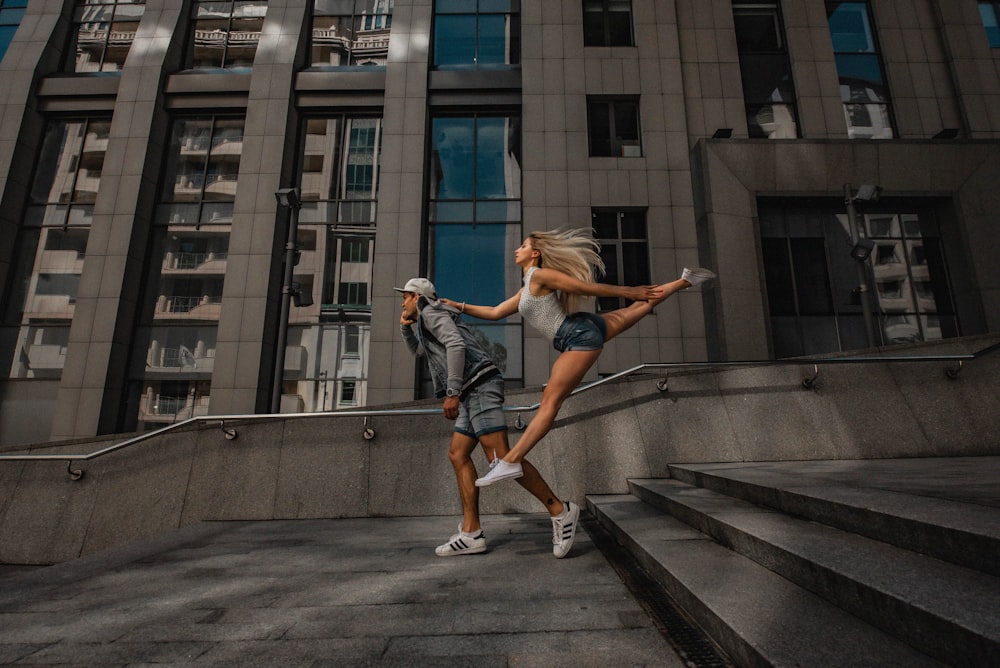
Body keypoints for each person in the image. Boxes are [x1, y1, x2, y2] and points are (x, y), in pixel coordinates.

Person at [441, 228, 715, 487]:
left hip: (577, 336)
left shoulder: (539, 275)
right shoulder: (527, 288)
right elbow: (495, 312)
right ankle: (685, 280)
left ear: (535, 253)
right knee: (640, 308)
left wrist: (628, 290)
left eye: (523, 245)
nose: (517, 249)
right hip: (582, 327)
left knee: (550, 400)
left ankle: (511, 461)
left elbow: (584, 288)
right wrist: (458, 306)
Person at [396, 277, 581, 558]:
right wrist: (405, 329)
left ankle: (560, 510)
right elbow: (423, 352)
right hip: (472, 390)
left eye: (406, 296)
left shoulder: (432, 312)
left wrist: (452, 391)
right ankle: (471, 533)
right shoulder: (428, 319)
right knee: (458, 454)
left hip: (478, 385)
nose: (403, 301)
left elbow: (456, 346)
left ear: (419, 297)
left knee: (503, 458)